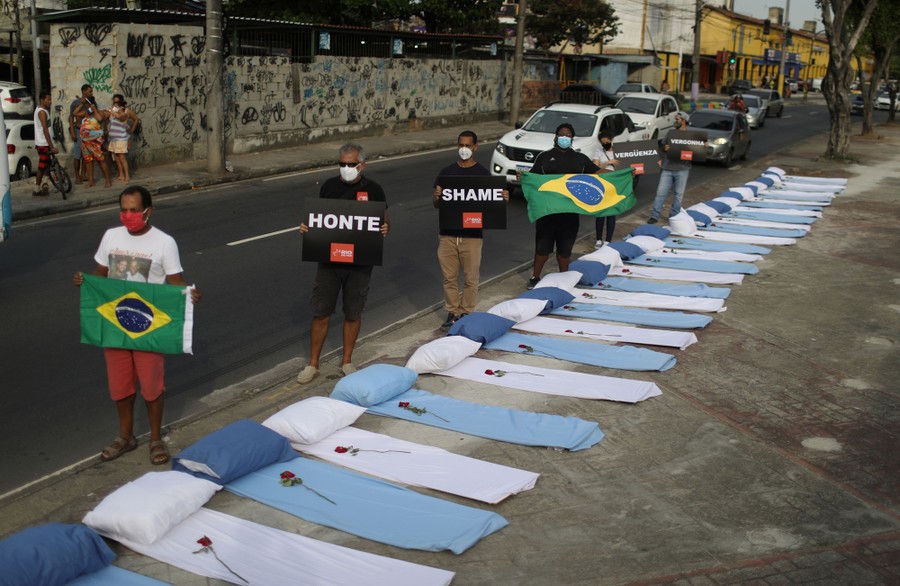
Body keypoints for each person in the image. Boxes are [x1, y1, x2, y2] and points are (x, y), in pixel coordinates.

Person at [73, 186, 201, 465]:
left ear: (147, 211)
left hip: (149, 325)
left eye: (134, 210)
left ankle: (155, 439)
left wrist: (189, 295)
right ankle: (125, 436)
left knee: (152, 386)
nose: (128, 215)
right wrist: (87, 282)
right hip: (114, 323)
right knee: (120, 385)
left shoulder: (164, 243)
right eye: (124, 210)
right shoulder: (110, 236)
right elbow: (100, 273)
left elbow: (176, 281)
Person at [297, 143, 390, 384]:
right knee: (320, 313)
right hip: (329, 262)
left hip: (359, 263)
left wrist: (385, 227)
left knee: (353, 312)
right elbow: (318, 219)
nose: (346, 168)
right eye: (342, 164)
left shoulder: (374, 190)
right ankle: (312, 364)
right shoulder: (328, 186)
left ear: (362, 164)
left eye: (351, 164)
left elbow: (384, 221)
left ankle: (347, 361)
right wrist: (308, 228)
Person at [432, 131, 508, 330]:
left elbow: (490, 204)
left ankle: (467, 312)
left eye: (468, 145)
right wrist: (437, 196)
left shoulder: (483, 175)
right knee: (448, 278)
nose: (464, 149)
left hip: (472, 237)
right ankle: (452, 312)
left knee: (470, 278)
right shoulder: (446, 173)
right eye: (461, 145)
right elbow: (436, 204)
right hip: (447, 235)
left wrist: (502, 199)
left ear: (475, 147)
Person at [525, 123, 600, 288]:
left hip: (570, 213)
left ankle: (564, 278)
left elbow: (599, 174)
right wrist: (521, 177)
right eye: (561, 134)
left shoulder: (580, 159)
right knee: (542, 248)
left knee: (565, 250)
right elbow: (531, 178)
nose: (564, 137)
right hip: (547, 213)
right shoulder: (544, 157)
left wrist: (621, 173)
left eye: (567, 135)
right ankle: (535, 277)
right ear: (556, 136)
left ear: (572, 139)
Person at [649, 111, 693, 224]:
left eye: (677, 119)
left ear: (683, 121)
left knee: (678, 195)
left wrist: (703, 147)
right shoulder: (670, 133)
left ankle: (673, 216)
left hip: (683, 169)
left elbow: (696, 151)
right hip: (667, 168)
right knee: (660, 193)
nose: (675, 121)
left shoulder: (691, 136)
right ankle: (654, 215)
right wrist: (665, 148)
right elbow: (662, 147)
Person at [591, 132, 622, 248]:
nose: (605, 144)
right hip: (601, 183)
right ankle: (598, 239)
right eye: (603, 143)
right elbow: (595, 168)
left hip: (614, 183)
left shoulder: (620, 151)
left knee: (611, 213)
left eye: (607, 142)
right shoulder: (599, 152)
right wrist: (607, 163)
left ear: (611, 139)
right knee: (600, 212)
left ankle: (608, 240)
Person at [74, 98, 112, 188]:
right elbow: (75, 113)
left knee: (100, 160)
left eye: (87, 105)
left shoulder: (98, 112)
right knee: (88, 161)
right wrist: (81, 104)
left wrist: (94, 109)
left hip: (95, 142)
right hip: (85, 142)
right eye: (85, 106)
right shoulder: (86, 113)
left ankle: (107, 180)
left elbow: (99, 118)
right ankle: (91, 181)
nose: (86, 107)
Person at [107, 94, 138, 183]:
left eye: (117, 102)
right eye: (114, 101)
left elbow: (135, 118)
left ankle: (127, 176)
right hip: (113, 137)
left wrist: (132, 129)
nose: (115, 103)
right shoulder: (112, 111)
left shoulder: (126, 111)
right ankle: (121, 174)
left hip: (121, 137)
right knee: (116, 157)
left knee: (122, 157)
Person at [33, 90, 57, 197]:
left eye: (50, 99)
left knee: (48, 164)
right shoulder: (42, 112)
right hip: (43, 143)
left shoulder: (43, 110)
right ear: (42, 100)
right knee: (42, 166)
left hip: (44, 142)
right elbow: (45, 130)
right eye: (48, 99)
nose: (50, 102)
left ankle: (46, 183)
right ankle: (36, 189)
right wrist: (51, 146)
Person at [69, 84, 95, 184]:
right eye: (90, 91)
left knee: (86, 156)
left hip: (87, 132)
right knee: (77, 156)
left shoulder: (91, 102)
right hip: (78, 130)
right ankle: (77, 176)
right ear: (84, 92)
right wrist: (72, 132)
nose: (91, 93)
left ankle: (83, 175)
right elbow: (71, 117)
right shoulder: (76, 103)